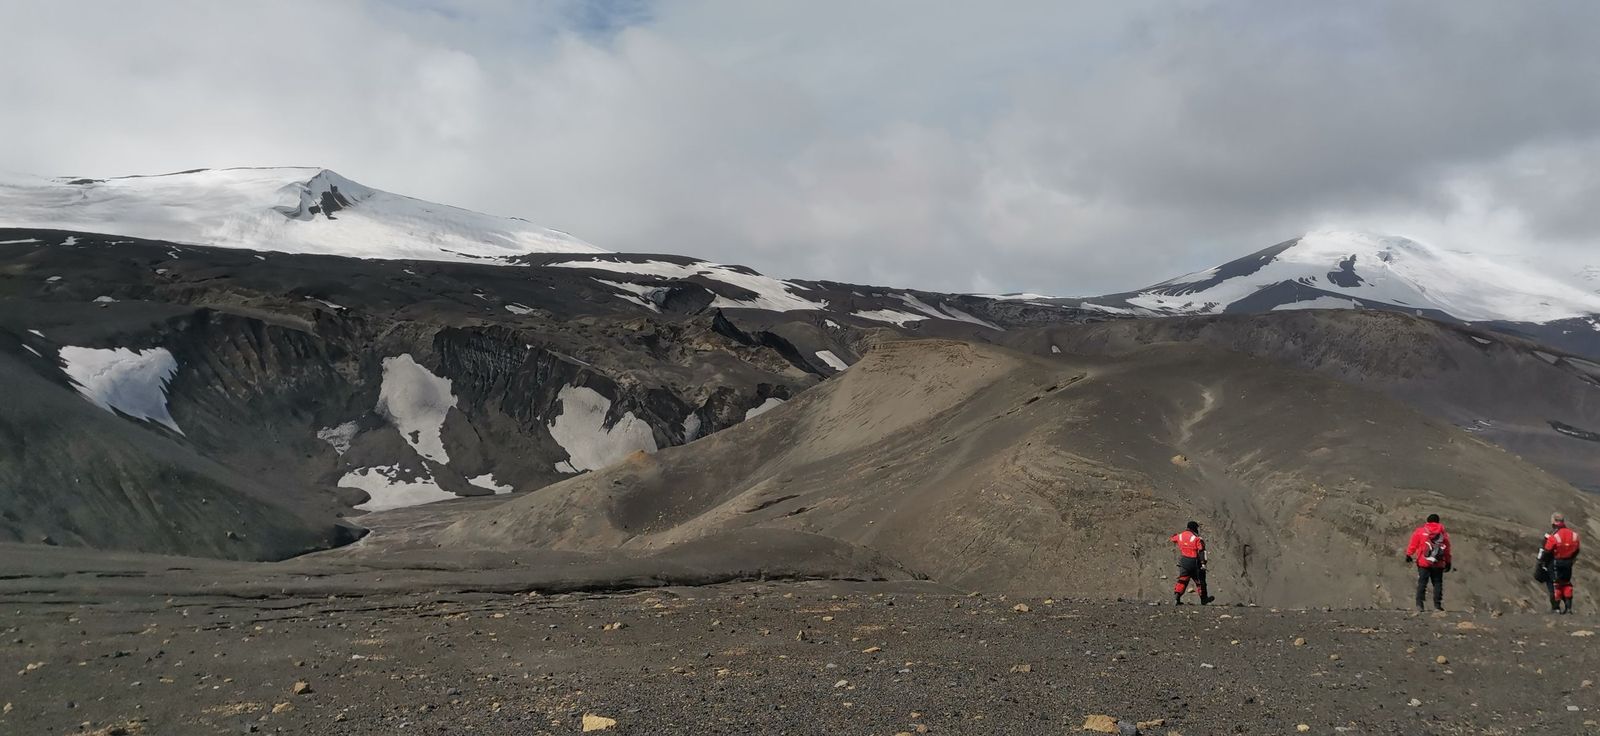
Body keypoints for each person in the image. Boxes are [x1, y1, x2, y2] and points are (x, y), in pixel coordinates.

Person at [1405, 513, 1452, 612]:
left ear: (1427, 521)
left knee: (1422, 582)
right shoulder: (1443, 534)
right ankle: (1437, 606)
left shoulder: (1420, 531)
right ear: (1438, 522)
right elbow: (1447, 549)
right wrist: (1448, 562)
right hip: (1438, 563)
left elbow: (1413, 544)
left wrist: (1409, 554)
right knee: (1437, 583)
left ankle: (1419, 605)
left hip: (1423, 562)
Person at [1542, 512, 1581, 615]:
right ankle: (1568, 608)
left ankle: (1556, 608)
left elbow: (1547, 550)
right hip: (1568, 562)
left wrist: (1543, 562)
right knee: (1567, 583)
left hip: (1556, 561)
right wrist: (1571, 559)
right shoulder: (1574, 535)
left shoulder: (1554, 536)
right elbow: (1577, 549)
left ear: (1554, 521)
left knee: (1556, 584)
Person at [1171, 521, 1214, 605]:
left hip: (1183, 561)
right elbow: (1201, 551)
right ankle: (1204, 599)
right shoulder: (1197, 538)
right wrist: (1203, 563)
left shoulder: (1180, 536)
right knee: (1200, 581)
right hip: (1194, 562)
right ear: (1194, 528)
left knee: (1183, 580)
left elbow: (1173, 538)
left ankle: (1177, 597)